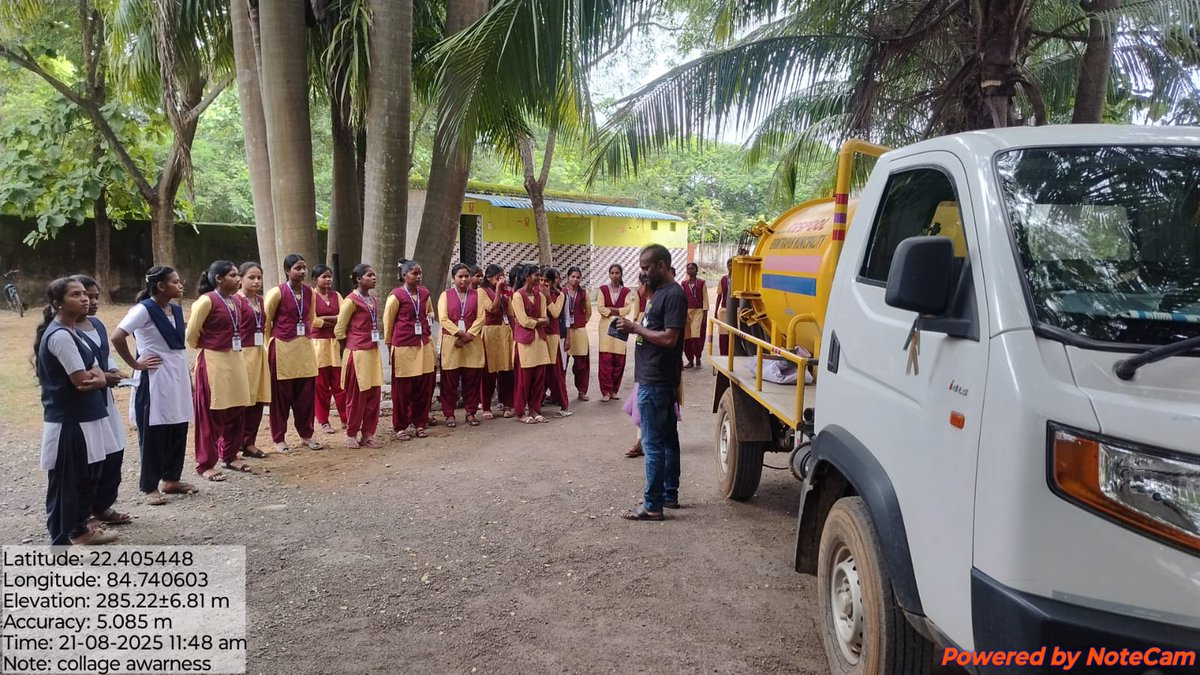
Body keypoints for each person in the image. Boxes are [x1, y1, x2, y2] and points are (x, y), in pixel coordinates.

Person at [36, 278, 120, 545]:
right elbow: (83, 380)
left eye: (85, 294)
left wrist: (98, 377)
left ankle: (80, 530)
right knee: (67, 483)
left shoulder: (75, 332)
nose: (84, 298)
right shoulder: (59, 336)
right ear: (57, 303)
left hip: (88, 416)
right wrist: (101, 378)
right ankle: (60, 542)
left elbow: (95, 369)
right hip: (70, 421)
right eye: (76, 295)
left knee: (87, 478)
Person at [111, 266, 195, 506]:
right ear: (160, 286)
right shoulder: (143, 310)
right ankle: (149, 485)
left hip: (176, 375)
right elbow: (118, 336)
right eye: (175, 282)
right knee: (154, 429)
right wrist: (135, 364)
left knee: (178, 425)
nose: (180, 286)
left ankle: (171, 478)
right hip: (155, 377)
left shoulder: (175, 310)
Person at [616, 244, 687, 521]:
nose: (643, 273)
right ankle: (668, 494)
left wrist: (635, 328)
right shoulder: (659, 295)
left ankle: (653, 504)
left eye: (646, 267)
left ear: (660, 265)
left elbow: (669, 338)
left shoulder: (673, 296)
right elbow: (654, 328)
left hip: (656, 380)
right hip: (656, 379)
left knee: (653, 444)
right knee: (667, 440)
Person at [69, 275, 132, 527]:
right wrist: (105, 378)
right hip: (85, 405)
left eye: (95, 297)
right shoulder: (65, 331)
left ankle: (103, 505)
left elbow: (104, 356)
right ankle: (83, 515)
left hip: (105, 400)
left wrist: (114, 371)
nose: (92, 302)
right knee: (90, 459)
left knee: (114, 451)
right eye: (86, 296)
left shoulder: (97, 325)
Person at [187, 261, 254, 481]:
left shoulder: (236, 301)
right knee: (212, 413)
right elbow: (191, 335)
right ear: (218, 279)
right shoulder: (206, 301)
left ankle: (230, 454)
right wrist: (207, 347)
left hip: (236, 358)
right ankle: (205, 463)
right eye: (233, 275)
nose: (238, 279)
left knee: (237, 407)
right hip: (214, 359)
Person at [263, 254, 323, 452]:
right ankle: (279, 438)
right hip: (282, 348)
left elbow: (311, 317)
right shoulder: (276, 293)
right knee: (281, 397)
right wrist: (268, 345)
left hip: (304, 348)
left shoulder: (309, 292)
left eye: (304, 268)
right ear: (287, 271)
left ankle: (307, 435)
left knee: (305, 396)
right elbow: (266, 322)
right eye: (298, 268)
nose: (303, 271)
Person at [383, 259, 436, 441]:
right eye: (414, 273)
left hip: (422, 344)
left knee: (423, 386)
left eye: (420, 273)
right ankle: (400, 426)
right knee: (403, 390)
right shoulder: (396, 295)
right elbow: (388, 321)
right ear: (404, 275)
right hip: (404, 345)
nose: (418, 276)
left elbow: (430, 312)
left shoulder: (425, 293)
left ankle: (420, 423)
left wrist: (430, 316)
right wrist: (389, 344)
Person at [334, 264, 385, 448]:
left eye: (374, 274)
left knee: (373, 393)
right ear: (358, 279)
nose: (373, 278)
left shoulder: (372, 300)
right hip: (357, 354)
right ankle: (351, 433)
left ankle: (368, 433)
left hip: (371, 352)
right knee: (356, 395)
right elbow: (339, 329)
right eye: (369, 275)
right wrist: (350, 346)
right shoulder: (350, 301)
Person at [437, 263, 486, 427]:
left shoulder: (477, 295)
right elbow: (443, 318)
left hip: (472, 342)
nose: (464, 279)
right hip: (452, 342)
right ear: (453, 279)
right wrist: (459, 333)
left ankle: (470, 412)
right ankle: (449, 414)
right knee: (449, 380)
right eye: (460, 276)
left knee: (471, 378)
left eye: (466, 276)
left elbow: (481, 318)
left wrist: (468, 335)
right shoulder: (446, 295)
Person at [236, 262, 271, 458]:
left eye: (259, 277)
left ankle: (249, 442)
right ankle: (234, 443)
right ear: (240, 279)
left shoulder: (260, 300)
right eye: (251, 277)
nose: (256, 281)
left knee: (258, 399)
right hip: (242, 353)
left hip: (258, 353)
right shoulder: (235, 300)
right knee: (242, 400)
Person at [511, 264, 552, 424]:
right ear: (527, 277)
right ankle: (521, 412)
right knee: (524, 379)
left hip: (539, 341)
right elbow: (523, 321)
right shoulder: (517, 296)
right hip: (525, 342)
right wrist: (539, 322)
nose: (539, 279)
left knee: (538, 378)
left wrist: (537, 321)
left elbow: (545, 318)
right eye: (536, 275)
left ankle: (534, 409)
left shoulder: (540, 296)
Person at [311, 264, 347, 434]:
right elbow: (312, 320)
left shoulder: (336, 295)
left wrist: (325, 318)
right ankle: (323, 421)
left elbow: (344, 316)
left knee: (339, 383)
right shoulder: (310, 296)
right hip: (318, 345)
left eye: (330, 276)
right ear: (315, 279)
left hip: (334, 343)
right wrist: (331, 320)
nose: (328, 280)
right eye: (324, 277)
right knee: (320, 385)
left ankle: (345, 418)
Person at [480, 264, 515, 419]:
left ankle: (507, 403)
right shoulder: (482, 292)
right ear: (489, 278)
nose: (501, 280)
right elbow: (492, 309)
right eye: (497, 277)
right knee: (489, 371)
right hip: (490, 332)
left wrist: (507, 296)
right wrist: (499, 291)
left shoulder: (505, 291)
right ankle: (486, 406)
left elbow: (510, 312)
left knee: (507, 369)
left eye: (502, 277)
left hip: (505, 331)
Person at [596, 263, 634, 402]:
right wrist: (618, 310)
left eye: (617, 273)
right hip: (605, 327)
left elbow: (627, 309)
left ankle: (614, 390)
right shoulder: (602, 289)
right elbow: (600, 308)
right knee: (605, 359)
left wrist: (614, 310)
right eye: (612, 273)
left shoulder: (627, 291)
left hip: (620, 326)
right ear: (609, 274)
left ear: (621, 274)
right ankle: (605, 391)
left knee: (619, 359)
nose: (614, 275)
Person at [541, 267, 572, 417]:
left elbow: (555, 313)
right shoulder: (533, 293)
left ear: (553, 282)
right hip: (538, 336)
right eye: (540, 279)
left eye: (546, 281)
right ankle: (535, 403)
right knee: (539, 372)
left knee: (556, 371)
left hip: (552, 336)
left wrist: (547, 297)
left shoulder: (560, 295)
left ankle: (564, 405)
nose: (542, 283)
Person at [562, 266, 591, 402]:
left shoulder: (583, 292)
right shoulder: (561, 292)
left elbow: (588, 311)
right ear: (567, 277)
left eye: (578, 277)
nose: (575, 279)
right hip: (564, 331)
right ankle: (561, 392)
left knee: (581, 364)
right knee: (563, 363)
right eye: (573, 276)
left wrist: (582, 321)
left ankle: (582, 391)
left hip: (579, 330)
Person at [681, 262, 709, 368]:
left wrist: (705, 314)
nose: (690, 270)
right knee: (686, 338)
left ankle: (698, 357)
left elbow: (705, 299)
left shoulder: (702, 283)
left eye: (692, 268)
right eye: (688, 268)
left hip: (698, 311)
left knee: (695, 337)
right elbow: (682, 299)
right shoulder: (684, 284)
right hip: (686, 312)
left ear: (697, 270)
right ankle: (690, 360)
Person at [715, 258, 732, 356]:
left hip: (736, 311)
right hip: (724, 310)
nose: (731, 268)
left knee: (733, 336)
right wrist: (716, 311)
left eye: (733, 265)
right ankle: (723, 355)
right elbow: (719, 295)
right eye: (729, 265)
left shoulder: (740, 278)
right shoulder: (723, 279)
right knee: (723, 335)